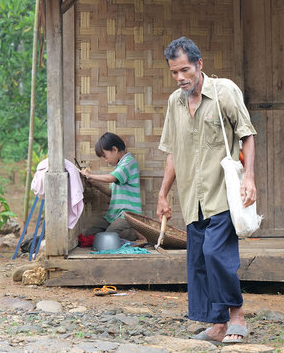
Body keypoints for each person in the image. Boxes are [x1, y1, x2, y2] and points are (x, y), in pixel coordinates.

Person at [156, 37, 257, 344]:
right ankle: (217, 325)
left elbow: (247, 135)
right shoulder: (175, 102)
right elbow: (173, 151)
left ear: (199, 65)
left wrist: (249, 177)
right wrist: (163, 194)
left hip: (222, 193)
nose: (180, 78)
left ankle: (236, 316)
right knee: (199, 260)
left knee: (217, 254)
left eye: (185, 70)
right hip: (192, 196)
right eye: (174, 72)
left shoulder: (223, 91)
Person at [79, 132, 144, 242]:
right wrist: (95, 183)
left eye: (105, 156)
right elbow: (111, 193)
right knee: (90, 234)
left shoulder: (129, 162)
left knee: (108, 237)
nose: (106, 160)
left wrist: (90, 175)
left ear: (114, 149)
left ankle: (136, 233)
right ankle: (123, 233)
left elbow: (111, 178)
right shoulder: (120, 167)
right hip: (114, 215)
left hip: (127, 215)